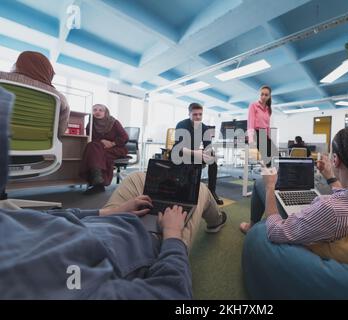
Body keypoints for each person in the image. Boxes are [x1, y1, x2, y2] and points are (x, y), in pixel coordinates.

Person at [0, 86, 226, 299]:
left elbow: (48, 218)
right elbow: (171, 292)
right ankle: (217, 217)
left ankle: (190, 190)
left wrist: (108, 212)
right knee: (197, 189)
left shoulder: (7, 222)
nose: (197, 117)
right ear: (190, 113)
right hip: (150, 239)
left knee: (141, 177)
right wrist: (172, 235)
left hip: (110, 218)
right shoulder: (64, 287)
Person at [239, 123, 348, 244]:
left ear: (336, 160)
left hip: (311, 236)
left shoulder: (330, 209)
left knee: (260, 185)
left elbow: (277, 231)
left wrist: (271, 186)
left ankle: (253, 225)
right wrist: (331, 177)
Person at [0, 51, 70, 137]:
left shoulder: (2, 78)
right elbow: (60, 131)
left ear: (18, 65)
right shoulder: (60, 98)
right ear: (48, 73)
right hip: (41, 147)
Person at [172, 102, 223, 205]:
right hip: (180, 153)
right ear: (189, 114)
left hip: (194, 154)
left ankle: (211, 191)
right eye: (195, 114)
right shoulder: (181, 124)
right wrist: (196, 153)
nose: (198, 117)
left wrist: (208, 153)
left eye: (200, 114)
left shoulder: (204, 128)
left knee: (213, 160)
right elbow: (179, 148)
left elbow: (207, 146)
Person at [79, 104, 128, 195]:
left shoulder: (113, 122)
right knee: (92, 146)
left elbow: (125, 137)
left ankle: (98, 182)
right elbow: (92, 139)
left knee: (94, 150)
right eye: (95, 110)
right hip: (100, 148)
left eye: (101, 110)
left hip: (116, 148)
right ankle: (98, 181)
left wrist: (112, 143)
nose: (97, 112)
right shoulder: (90, 124)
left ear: (106, 112)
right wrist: (102, 140)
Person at [247, 85, 277, 166]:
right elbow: (250, 122)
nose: (263, 96)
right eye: (262, 94)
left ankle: (273, 176)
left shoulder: (268, 109)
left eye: (266, 95)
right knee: (268, 161)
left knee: (276, 158)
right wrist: (251, 140)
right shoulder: (253, 105)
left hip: (264, 135)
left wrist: (268, 137)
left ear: (269, 96)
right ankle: (269, 176)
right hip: (256, 134)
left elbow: (267, 125)